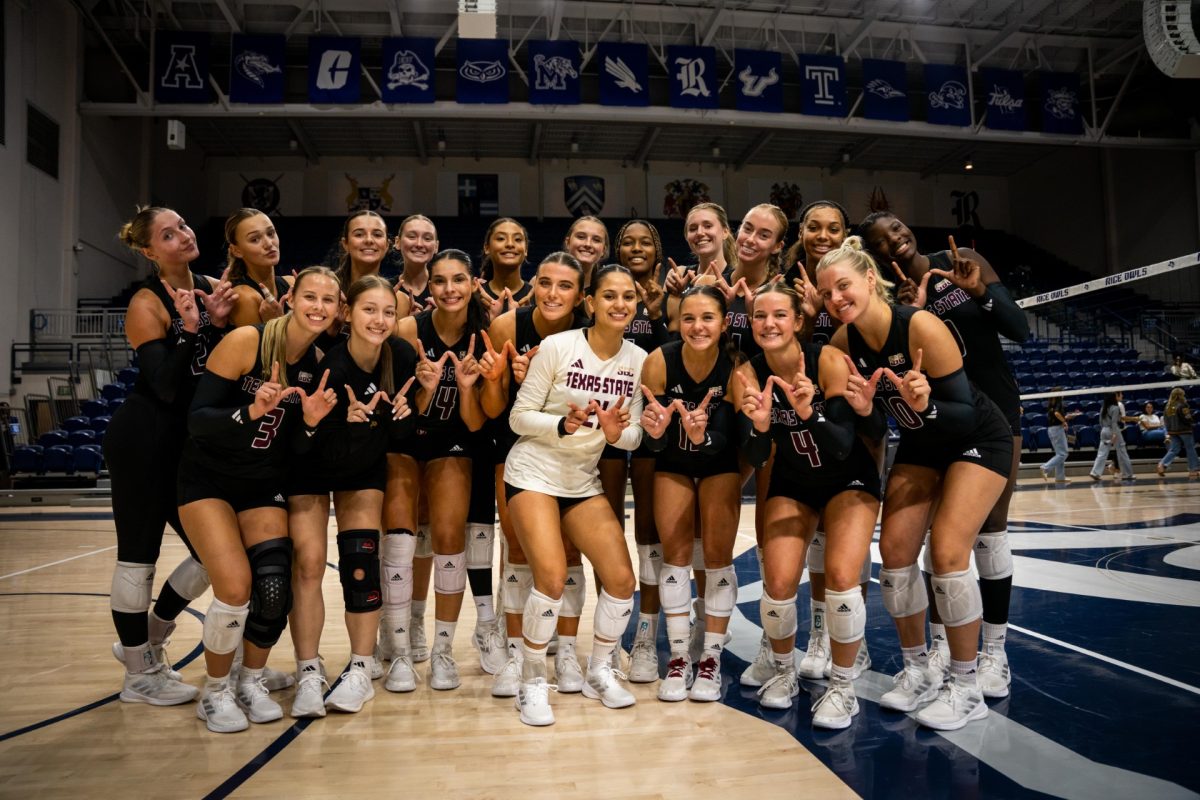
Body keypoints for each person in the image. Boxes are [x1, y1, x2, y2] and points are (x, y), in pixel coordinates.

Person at [816, 236, 1013, 731]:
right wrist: (865, 413)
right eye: (827, 293)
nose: (837, 298)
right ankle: (918, 669)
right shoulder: (842, 344)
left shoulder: (921, 325)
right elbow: (865, 426)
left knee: (947, 553)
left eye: (844, 285)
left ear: (868, 279)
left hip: (976, 439)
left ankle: (966, 687)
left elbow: (964, 411)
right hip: (922, 446)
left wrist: (925, 404)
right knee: (898, 557)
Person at [863, 212, 1029, 700]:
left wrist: (979, 292)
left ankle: (995, 652)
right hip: (934, 420)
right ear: (875, 257)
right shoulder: (891, 304)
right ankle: (940, 648)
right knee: (938, 540)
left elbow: (1018, 328)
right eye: (882, 241)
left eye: (897, 227)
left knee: (991, 530)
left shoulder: (961, 262)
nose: (896, 238)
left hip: (994, 409)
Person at [179, 266, 341, 733]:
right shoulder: (248, 341)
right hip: (207, 478)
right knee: (234, 588)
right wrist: (250, 410)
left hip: (261, 482)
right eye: (309, 296)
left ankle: (250, 680)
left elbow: (295, 451)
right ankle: (214, 692)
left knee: (274, 590)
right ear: (291, 298)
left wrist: (308, 422)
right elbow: (198, 420)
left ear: (336, 311)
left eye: (328, 301)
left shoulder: (318, 363)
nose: (318, 307)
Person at [734, 282, 883, 728]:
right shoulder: (747, 373)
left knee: (840, 579)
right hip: (793, 480)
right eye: (760, 316)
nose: (769, 324)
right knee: (777, 584)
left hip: (847, 478)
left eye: (779, 315)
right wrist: (760, 427)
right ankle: (783, 673)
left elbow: (842, 445)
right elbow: (757, 458)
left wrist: (808, 413)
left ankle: (843, 686)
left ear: (799, 321)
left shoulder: (827, 361)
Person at [105, 206, 237, 707]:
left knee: (212, 557)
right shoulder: (146, 302)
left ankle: (149, 638)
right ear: (147, 250)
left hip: (188, 442)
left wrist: (217, 324)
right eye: (168, 233)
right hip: (144, 438)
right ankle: (138, 676)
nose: (182, 235)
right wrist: (189, 329)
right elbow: (162, 385)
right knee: (138, 557)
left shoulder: (210, 284)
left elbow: (218, 367)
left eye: (183, 226)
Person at [505, 264, 646, 726]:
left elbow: (635, 437)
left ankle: (599, 671)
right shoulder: (558, 347)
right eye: (609, 296)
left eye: (628, 296)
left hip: (581, 482)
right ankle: (530, 680)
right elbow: (519, 417)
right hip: (532, 473)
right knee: (549, 578)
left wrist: (613, 432)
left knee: (622, 581)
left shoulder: (639, 360)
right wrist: (561, 425)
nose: (619, 304)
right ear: (590, 302)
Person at [285, 275, 424, 716]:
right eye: (369, 309)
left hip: (362, 469)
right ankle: (309, 671)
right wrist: (332, 422)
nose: (379, 319)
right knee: (307, 564)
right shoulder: (328, 363)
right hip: (309, 468)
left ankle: (360, 670)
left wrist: (407, 411)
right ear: (348, 313)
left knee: (361, 562)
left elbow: (402, 434)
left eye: (388, 312)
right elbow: (302, 442)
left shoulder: (400, 355)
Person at [478, 251, 587, 697]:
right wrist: (496, 380)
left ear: (580, 295)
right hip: (517, 447)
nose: (553, 293)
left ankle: (565, 650)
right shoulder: (508, 327)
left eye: (565, 286)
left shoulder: (588, 334)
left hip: (572, 449)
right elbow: (493, 411)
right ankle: (518, 650)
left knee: (569, 549)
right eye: (545, 283)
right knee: (519, 546)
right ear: (533, 285)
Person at [387, 249, 488, 692]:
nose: (449, 289)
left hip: (454, 440)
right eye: (441, 281)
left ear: (472, 286)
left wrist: (465, 388)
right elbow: (404, 410)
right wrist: (426, 392)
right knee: (401, 538)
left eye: (458, 280)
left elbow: (474, 422)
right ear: (429, 288)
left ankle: (443, 650)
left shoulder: (483, 336)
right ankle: (401, 639)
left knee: (448, 536)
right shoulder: (408, 330)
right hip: (405, 440)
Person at [639, 285, 741, 703]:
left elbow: (736, 439)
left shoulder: (737, 367)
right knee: (676, 558)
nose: (697, 326)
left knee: (717, 560)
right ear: (676, 322)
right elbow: (654, 442)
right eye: (688, 318)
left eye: (707, 318)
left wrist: (703, 439)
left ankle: (711, 659)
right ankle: (680, 658)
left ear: (725, 322)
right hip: (674, 465)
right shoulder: (659, 360)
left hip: (719, 464)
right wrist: (659, 435)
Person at [612, 219, 671, 683]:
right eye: (628, 241)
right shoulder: (610, 291)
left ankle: (646, 637)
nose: (637, 247)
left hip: (654, 424)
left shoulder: (672, 294)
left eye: (644, 241)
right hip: (609, 423)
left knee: (650, 532)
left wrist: (661, 315)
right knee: (609, 530)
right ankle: (610, 638)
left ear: (657, 247)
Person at [664, 203, 737, 332]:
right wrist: (679, 297)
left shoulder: (737, 278)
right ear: (687, 237)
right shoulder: (678, 274)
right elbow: (669, 333)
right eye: (692, 229)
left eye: (708, 226)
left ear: (725, 232)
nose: (700, 233)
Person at [223, 208, 293, 327]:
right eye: (255, 239)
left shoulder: (291, 282)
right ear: (236, 250)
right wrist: (275, 323)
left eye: (271, 234)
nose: (269, 243)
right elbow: (262, 346)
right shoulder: (244, 297)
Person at [392, 214, 439, 317]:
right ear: (397, 242)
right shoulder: (387, 290)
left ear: (436, 246)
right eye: (412, 237)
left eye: (427, 238)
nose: (419, 244)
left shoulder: (445, 289)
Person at [1089, 392, 1134, 482]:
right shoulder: (1116, 408)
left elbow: (1100, 421)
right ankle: (1128, 474)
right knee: (1122, 452)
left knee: (1101, 453)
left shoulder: (1103, 408)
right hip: (1114, 431)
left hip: (1104, 430)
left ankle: (1095, 472)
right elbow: (1114, 422)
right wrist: (1114, 434)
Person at [1157, 388, 1197, 477]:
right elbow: (1187, 418)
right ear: (1180, 395)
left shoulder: (1168, 406)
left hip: (1172, 431)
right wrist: (1192, 421)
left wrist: (1168, 431)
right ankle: (1193, 469)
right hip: (1184, 430)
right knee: (1190, 449)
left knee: (1174, 449)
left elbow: (1166, 421)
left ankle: (1162, 464)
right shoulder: (1182, 405)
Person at [1040, 390, 1078, 483]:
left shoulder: (1051, 404)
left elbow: (1056, 414)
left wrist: (1066, 417)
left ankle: (1060, 477)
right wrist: (1064, 421)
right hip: (1057, 429)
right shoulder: (1059, 403)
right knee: (1063, 454)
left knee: (1059, 454)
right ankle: (1045, 467)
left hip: (1052, 430)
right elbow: (1057, 414)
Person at [563, 215, 610, 290]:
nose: (588, 244)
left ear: (603, 250)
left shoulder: (610, 287)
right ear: (568, 243)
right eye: (581, 237)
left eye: (596, 240)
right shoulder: (547, 282)